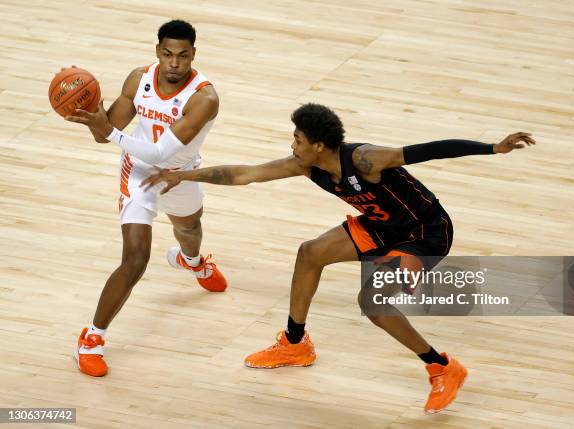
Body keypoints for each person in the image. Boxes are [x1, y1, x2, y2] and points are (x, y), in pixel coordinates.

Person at [142, 103, 535, 413]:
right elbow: (245, 174)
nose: (292, 145)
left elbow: (431, 150)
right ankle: (295, 343)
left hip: (425, 233)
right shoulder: (305, 166)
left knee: (373, 303)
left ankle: (442, 366)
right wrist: (184, 176)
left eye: (297, 139)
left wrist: (492, 148)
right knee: (310, 253)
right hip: (381, 225)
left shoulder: (366, 159)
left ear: (318, 144)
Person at [64, 19, 227, 377]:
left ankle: (192, 260)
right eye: (167, 54)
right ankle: (91, 339)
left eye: (183, 56)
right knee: (135, 258)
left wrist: (108, 133)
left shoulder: (204, 99)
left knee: (190, 228)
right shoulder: (139, 80)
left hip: (180, 174)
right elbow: (105, 134)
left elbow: (160, 152)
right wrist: (89, 112)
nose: (174, 63)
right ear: (157, 52)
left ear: (193, 56)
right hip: (138, 175)